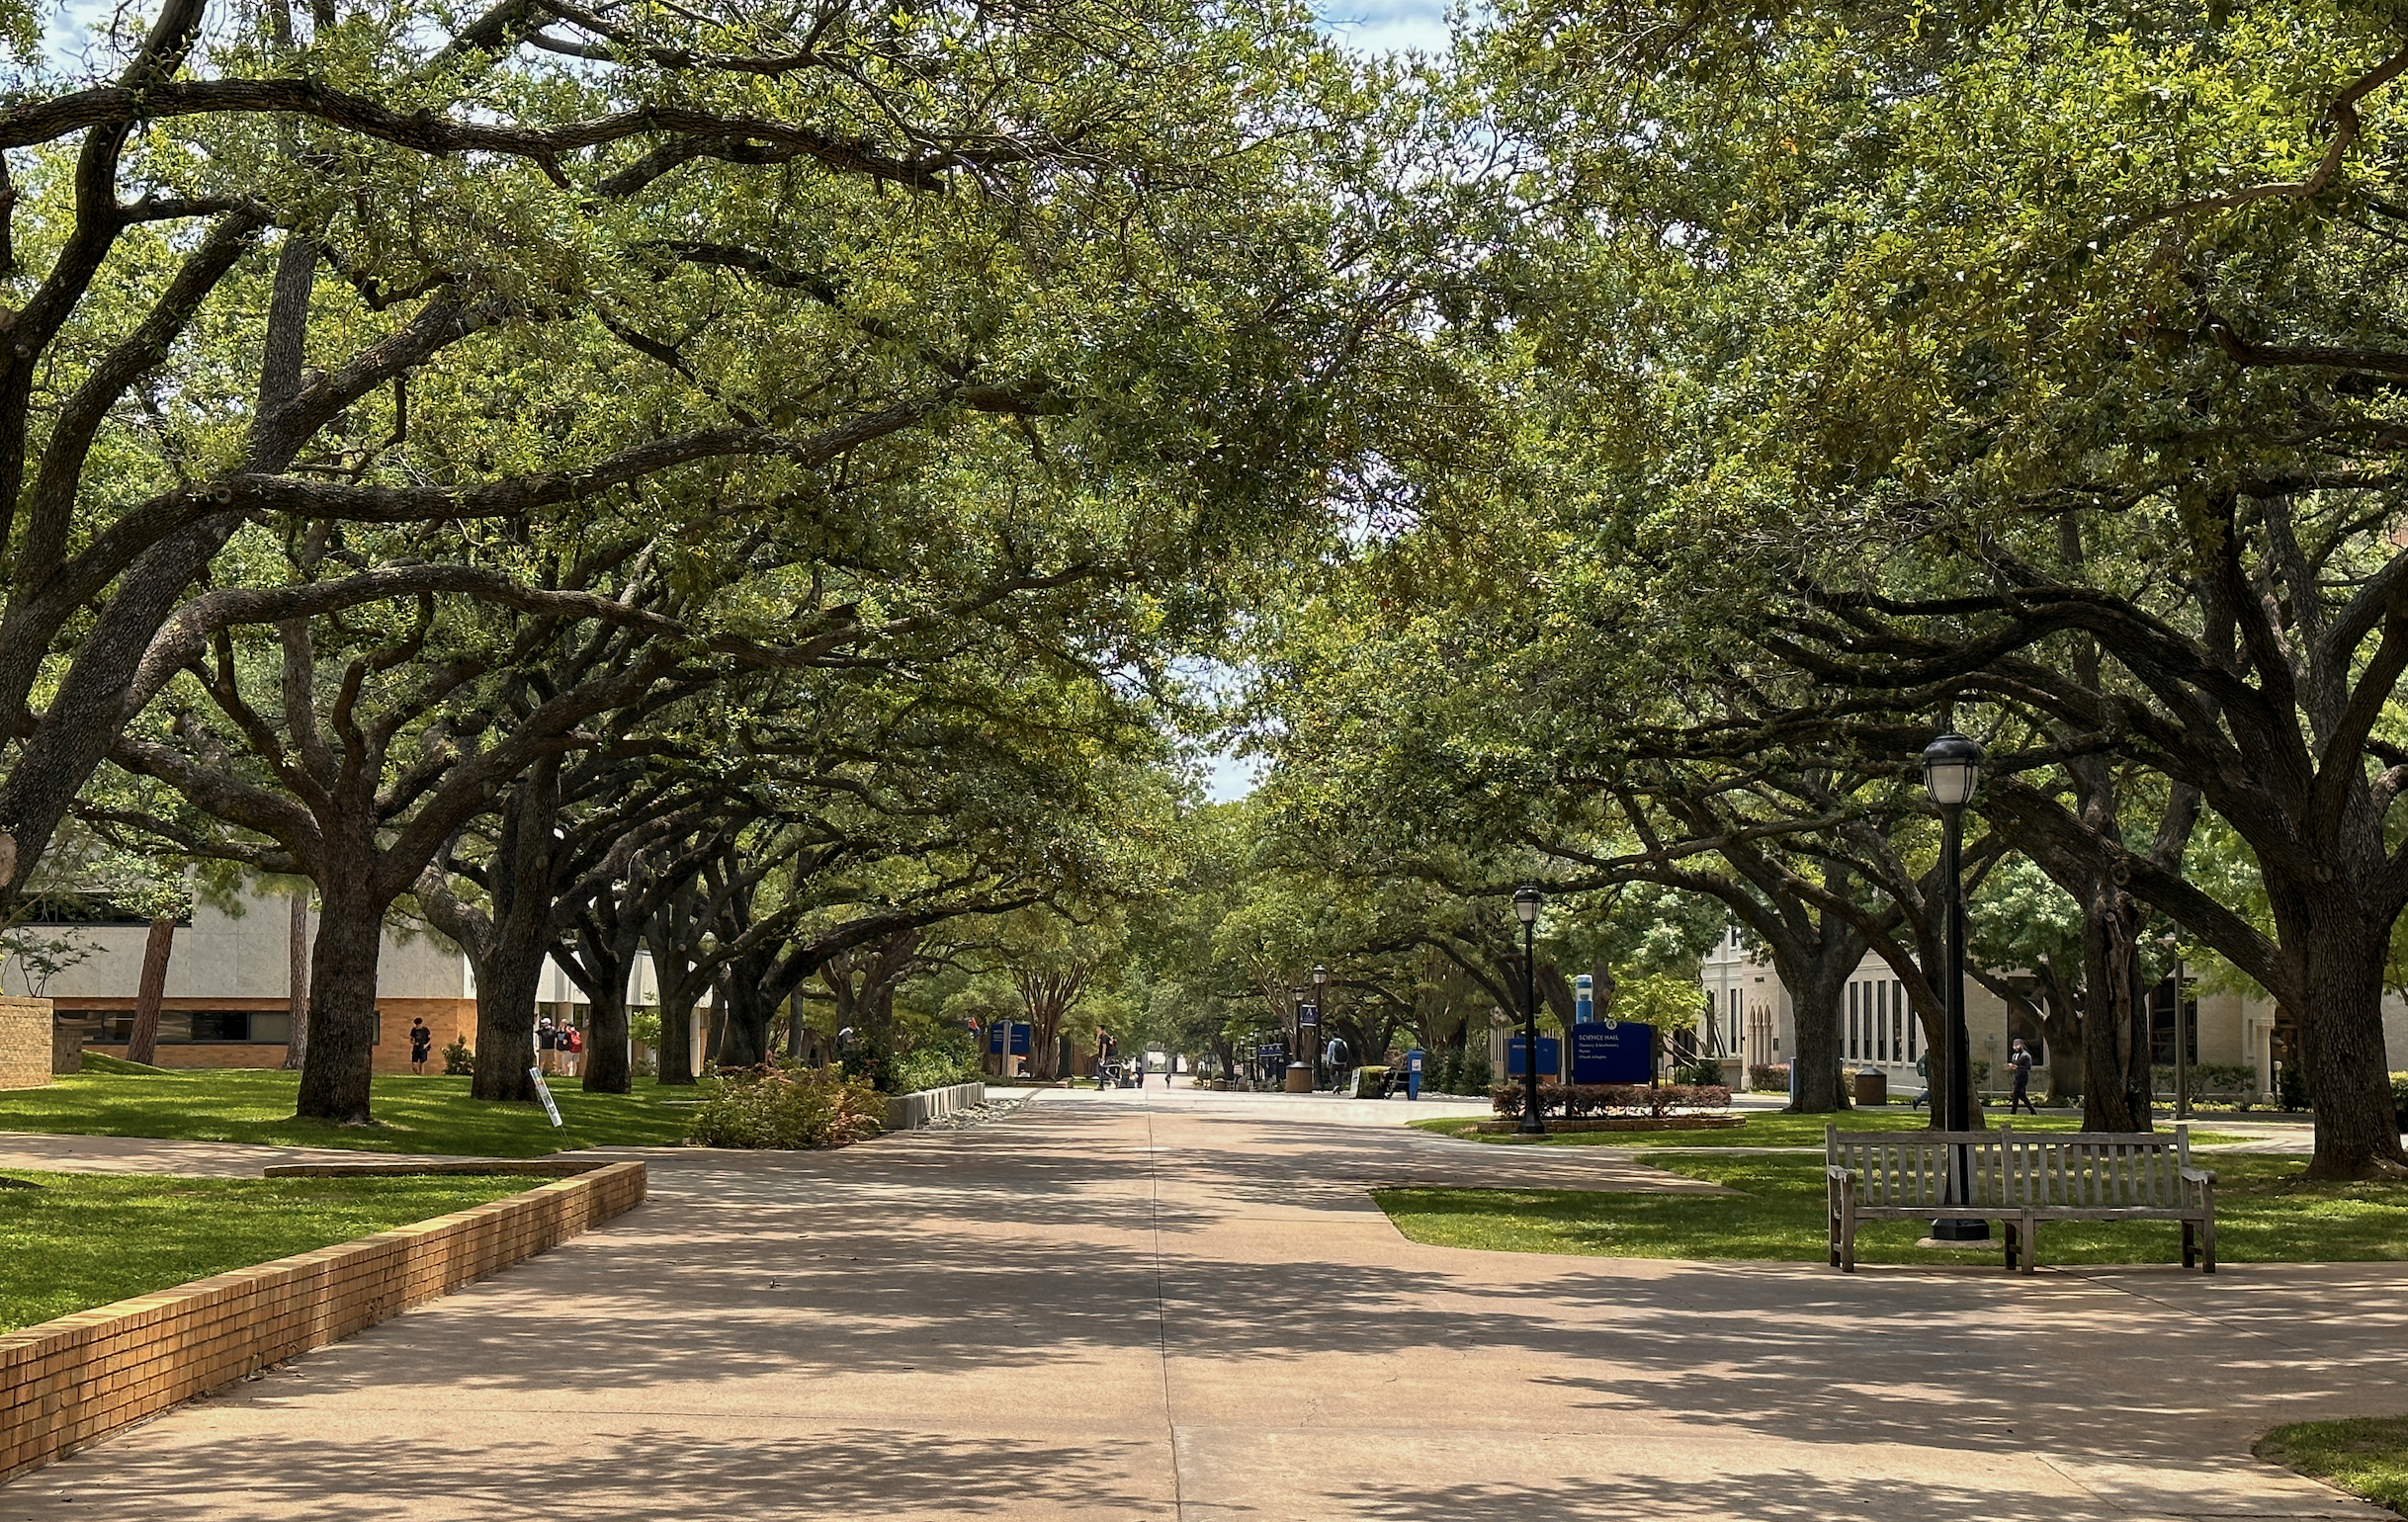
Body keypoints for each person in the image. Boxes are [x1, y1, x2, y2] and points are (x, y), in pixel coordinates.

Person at [2008, 1038, 2037, 1115]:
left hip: (2023, 1077)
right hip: (2017, 1076)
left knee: (2016, 1094)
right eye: (2014, 1045)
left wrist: (2017, 1067)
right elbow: (2015, 1064)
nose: (2015, 1047)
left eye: (2017, 1045)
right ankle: (2032, 1111)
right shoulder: (2014, 1055)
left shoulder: (2026, 1056)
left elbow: (2028, 1067)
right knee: (2020, 1095)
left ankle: (2013, 1111)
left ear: (2021, 1045)